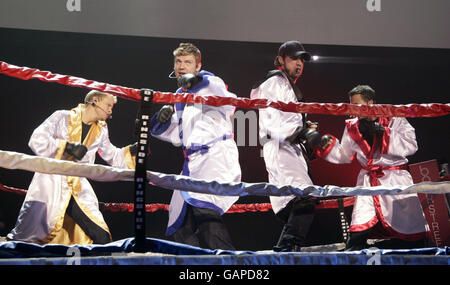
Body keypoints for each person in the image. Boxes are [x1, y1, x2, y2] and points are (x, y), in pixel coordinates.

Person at [7, 90, 137, 245]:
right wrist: (66, 147)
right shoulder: (62, 116)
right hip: (51, 182)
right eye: (108, 105)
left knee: (101, 234)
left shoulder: (101, 129)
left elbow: (112, 155)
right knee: (30, 237)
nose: (110, 110)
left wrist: (134, 151)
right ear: (94, 101)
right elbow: (36, 138)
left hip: (77, 186)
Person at [149, 43, 241, 250]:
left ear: (198, 66)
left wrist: (199, 82)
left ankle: (229, 265)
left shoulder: (211, 82)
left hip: (215, 156)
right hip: (191, 163)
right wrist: (161, 121)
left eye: (187, 62)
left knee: (206, 212)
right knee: (178, 222)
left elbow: (230, 103)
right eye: (178, 62)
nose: (182, 66)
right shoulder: (179, 95)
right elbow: (179, 134)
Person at [318, 85, 430, 250]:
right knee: (360, 223)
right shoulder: (352, 126)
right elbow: (344, 154)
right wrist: (323, 145)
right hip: (368, 182)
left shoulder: (394, 117)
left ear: (371, 102)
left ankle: (415, 254)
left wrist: (384, 133)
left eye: (357, 105)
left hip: (395, 179)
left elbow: (412, 144)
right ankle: (353, 254)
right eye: (351, 105)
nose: (353, 109)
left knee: (408, 228)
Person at [250, 41, 322, 252]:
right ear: (280, 60)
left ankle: (288, 250)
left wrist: (304, 127)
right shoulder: (275, 82)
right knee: (305, 197)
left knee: (291, 204)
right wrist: (302, 131)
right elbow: (273, 121)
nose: (299, 63)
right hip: (281, 147)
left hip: (287, 148)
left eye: (302, 59)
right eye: (294, 58)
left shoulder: (286, 85)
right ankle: (285, 250)